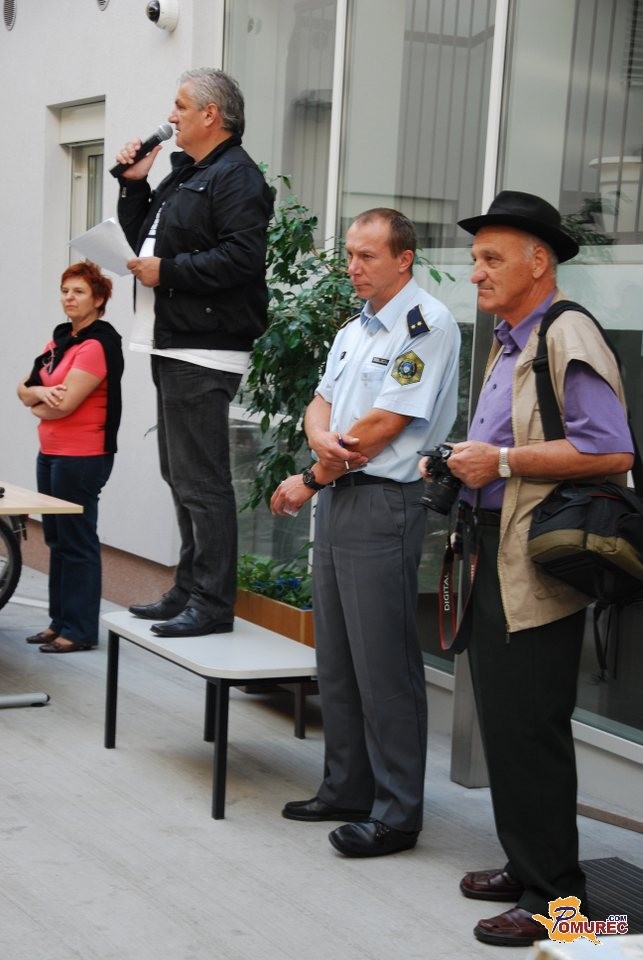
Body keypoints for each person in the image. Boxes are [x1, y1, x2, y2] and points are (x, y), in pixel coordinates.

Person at [421, 191, 634, 946]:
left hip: (534, 564)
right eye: (474, 258)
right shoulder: (513, 336)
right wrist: (463, 461)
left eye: (491, 258)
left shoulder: (567, 331)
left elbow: (611, 449)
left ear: (537, 262)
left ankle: (556, 904)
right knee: (506, 724)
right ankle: (526, 863)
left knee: (531, 730)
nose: (475, 272)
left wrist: (503, 461)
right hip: (492, 548)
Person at [271, 208, 461, 857]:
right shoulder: (355, 328)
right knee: (339, 660)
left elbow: (383, 427)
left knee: (384, 664)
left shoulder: (425, 324)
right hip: (341, 498)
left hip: (383, 502)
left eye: (366, 256)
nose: (352, 266)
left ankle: (396, 813)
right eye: (350, 254)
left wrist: (311, 474)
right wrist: (319, 437)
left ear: (403, 259)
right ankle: (347, 788)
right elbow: (320, 401)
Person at [115, 67, 274, 638]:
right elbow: (141, 239)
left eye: (181, 106)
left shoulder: (237, 177)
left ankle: (211, 603)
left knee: (202, 480)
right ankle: (188, 589)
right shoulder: (188, 172)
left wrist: (170, 272)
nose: (171, 115)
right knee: (179, 474)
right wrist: (135, 184)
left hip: (205, 349)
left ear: (211, 114)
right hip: (173, 340)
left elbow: (242, 260)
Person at [17, 261, 124, 653]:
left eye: (78, 292)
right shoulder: (61, 339)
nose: (68, 298)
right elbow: (23, 387)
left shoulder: (96, 345)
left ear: (98, 300)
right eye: (65, 290)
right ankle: (58, 622)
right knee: (57, 539)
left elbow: (64, 404)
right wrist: (38, 395)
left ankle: (78, 631)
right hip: (50, 453)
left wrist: (37, 401)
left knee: (77, 541)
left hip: (82, 456)